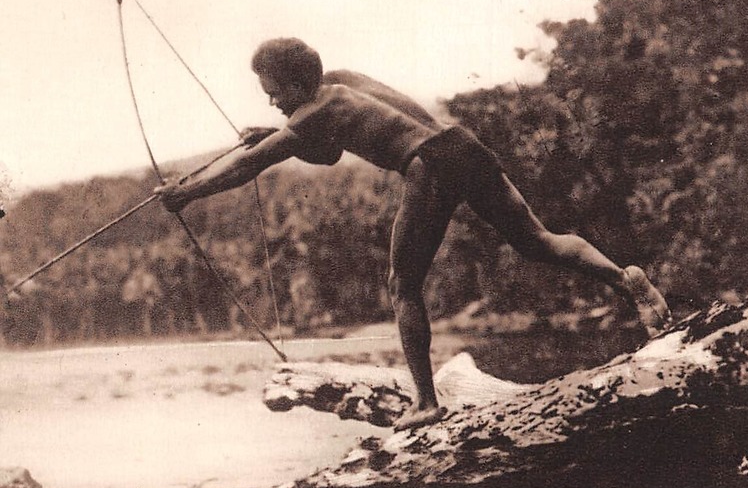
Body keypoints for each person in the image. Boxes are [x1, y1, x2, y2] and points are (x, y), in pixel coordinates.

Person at [158, 37, 671, 430]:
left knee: (402, 286)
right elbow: (329, 148)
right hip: (461, 146)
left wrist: (185, 194)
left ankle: (425, 403)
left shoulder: (312, 114)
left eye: (273, 93)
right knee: (538, 240)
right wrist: (277, 131)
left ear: (295, 85)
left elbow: (248, 166)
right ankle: (629, 283)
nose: (271, 102)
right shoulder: (340, 81)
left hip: (429, 167)